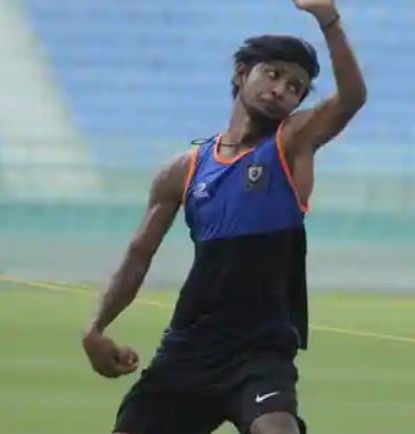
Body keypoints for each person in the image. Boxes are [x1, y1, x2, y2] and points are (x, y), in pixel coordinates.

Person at [82, 1, 366, 433]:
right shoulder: (183, 170)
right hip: (189, 349)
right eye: (272, 73)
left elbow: (351, 98)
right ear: (240, 74)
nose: (282, 89)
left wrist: (328, 19)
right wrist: (96, 328)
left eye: (295, 87)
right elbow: (139, 254)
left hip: (259, 352)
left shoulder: (291, 146)